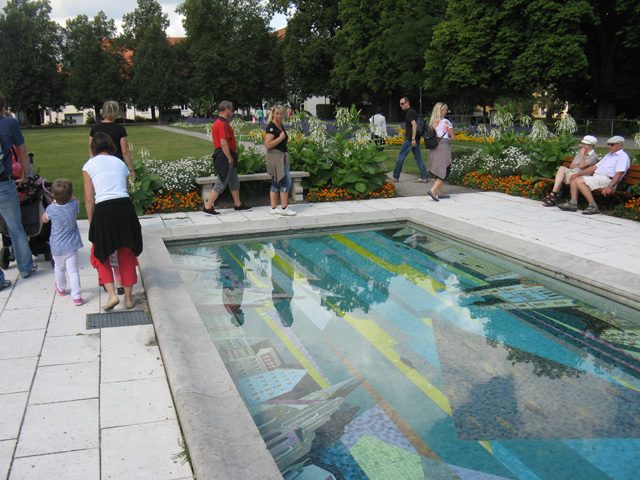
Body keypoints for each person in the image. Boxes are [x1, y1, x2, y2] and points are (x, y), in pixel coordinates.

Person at [83, 132, 143, 310]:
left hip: (104, 210)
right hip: (125, 209)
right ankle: (128, 299)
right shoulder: (121, 163)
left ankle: (112, 295)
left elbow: (89, 199)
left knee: (99, 253)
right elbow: (125, 191)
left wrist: (92, 222)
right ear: (110, 145)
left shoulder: (89, 165)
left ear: (94, 147)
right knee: (126, 253)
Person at [0, 92, 37, 289]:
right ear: (3, 107)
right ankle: (25, 267)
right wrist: (27, 175)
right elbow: (22, 151)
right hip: (4, 183)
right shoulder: (9, 123)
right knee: (15, 227)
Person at [558, 135, 630, 215]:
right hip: (598, 177)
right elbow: (594, 167)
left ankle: (593, 206)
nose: (609, 146)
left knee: (579, 181)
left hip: (607, 179)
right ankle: (573, 203)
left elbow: (619, 173)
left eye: (612, 145)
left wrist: (610, 186)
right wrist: (578, 174)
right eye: (608, 144)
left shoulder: (623, 157)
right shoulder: (609, 155)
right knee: (575, 178)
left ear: (620, 146)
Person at [203, 101, 251, 215]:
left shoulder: (218, 122)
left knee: (234, 180)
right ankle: (208, 206)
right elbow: (223, 142)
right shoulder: (222, 123)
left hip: (225, 155)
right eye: (232, 110)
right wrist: (229, 157)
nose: (232, 112)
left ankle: (238, 204)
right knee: (221, 182)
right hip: (224, 155)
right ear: (227, 109)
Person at [42, 179, 84, 305]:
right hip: (71, 245)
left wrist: (54, 202)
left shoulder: (51, 209)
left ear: (53, 195)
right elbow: (78, 201)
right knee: (73, 271)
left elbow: (44, 219)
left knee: (59, 268)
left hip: (57, 246)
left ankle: (60, 288)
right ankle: (77, 296)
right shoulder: (73, 206)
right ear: (70, 195)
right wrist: (70, 197)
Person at [542, 135, 599, 206]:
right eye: (583, 144)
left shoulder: (593, 156)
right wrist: (580, 165)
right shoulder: (580, 152)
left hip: (580, 175)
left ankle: (553, 197)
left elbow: (582, 166)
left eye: (585, 144)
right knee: (562, 168)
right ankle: (554, 193)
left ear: (591, 146)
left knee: (564, 177)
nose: (583, 146)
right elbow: (572, 166)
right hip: (572, 172)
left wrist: (582, 155)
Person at [89, 101, 135, 179]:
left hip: (100, 164)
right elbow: (125, 151)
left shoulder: (95, 129)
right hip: (116, 164)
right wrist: (131, 169)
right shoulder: (120, 129)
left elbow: (91, 150)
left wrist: (92, 165)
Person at [264, 105, 296, 216]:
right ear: (273, 114)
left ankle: (273, 208)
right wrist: (280, 138)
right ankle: (284, 208)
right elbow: (268, 144)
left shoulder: (280, 125)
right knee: (286, 181)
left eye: (281, 113)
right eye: (277, 113)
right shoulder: (271, 127)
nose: (279, 116)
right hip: (275, 157)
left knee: (276, 182)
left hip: (281, 156)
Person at [391, 97, 428, 183]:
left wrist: (413, 139)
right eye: (400, 104)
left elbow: (414, 125)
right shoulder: (412, 111)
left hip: (410, 139)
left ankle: (395, 176)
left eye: (402, 104)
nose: (401, 105)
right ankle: (424, 176)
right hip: (415, 138)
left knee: (401, 156)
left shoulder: (410, 112)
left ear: (407, 103)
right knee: (418, 158)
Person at [426, 102, 456, 201]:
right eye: (446, 110)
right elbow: (453, 137)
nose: (446, 112)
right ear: (441, 111)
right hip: (443, 146)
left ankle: (441, 192)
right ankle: (433, 190)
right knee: (445, 169)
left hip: (434, 146)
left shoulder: (433, 122)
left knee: (439, 169)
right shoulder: (446, 122)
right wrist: (448, 138)